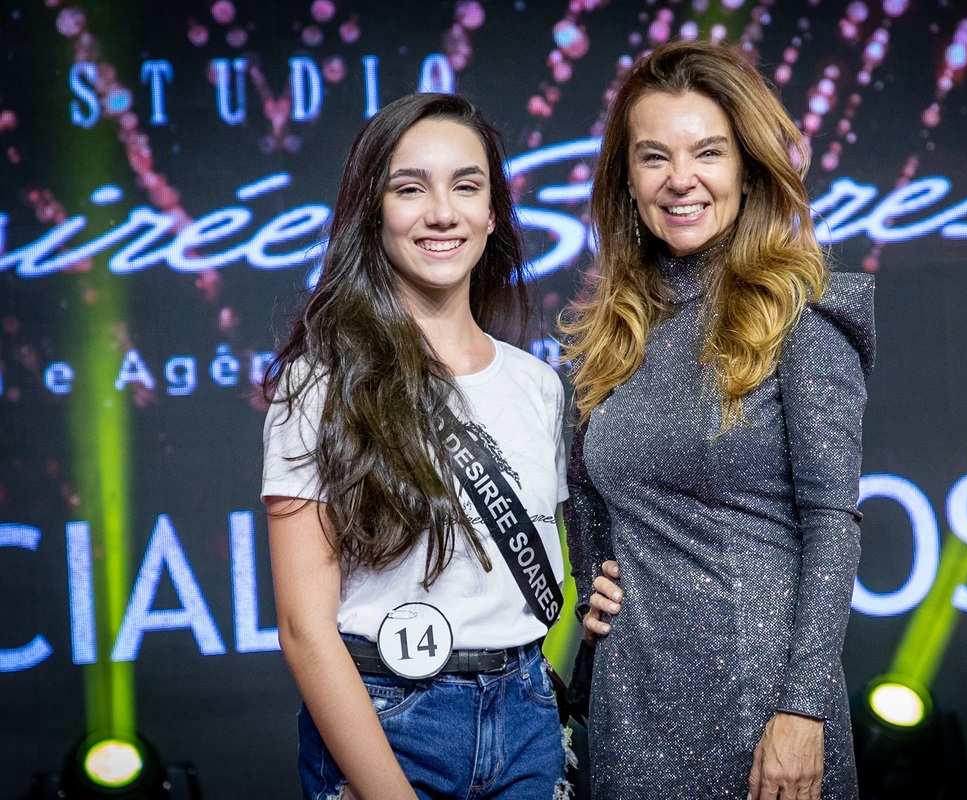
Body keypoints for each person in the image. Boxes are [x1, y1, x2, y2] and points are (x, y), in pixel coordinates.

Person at [560, 41, 875, 800]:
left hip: (761, 702)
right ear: (626, 179)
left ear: (748, 168)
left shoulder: (798, 316)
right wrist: (594, 587)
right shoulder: (613, 332)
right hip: (633, 705)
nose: (681, 179)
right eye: (654, 156)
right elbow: (591, 499)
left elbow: (833, 520)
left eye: (708, 152)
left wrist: (802, 709)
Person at [262, 93, 570, 800]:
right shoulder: (320, 382)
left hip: (527, 716)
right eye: (410, 188)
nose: (441, 213)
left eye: (466, 186)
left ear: (492, 214)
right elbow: (303, 629)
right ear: (373, 212)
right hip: (387, 721)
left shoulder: (538, 386)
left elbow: (547, 572)